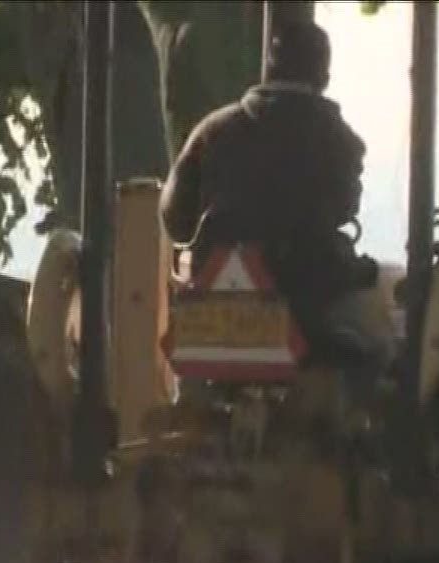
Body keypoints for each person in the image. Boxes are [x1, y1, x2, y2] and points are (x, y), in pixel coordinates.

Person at [160, 21, 392, 379]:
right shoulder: (343, 143)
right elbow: (346, 207)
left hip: (213, 317)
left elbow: (175, 220)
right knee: (381, 341)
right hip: (306, 308)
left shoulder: (210, 132)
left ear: (267, 67)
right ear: (324, 75)